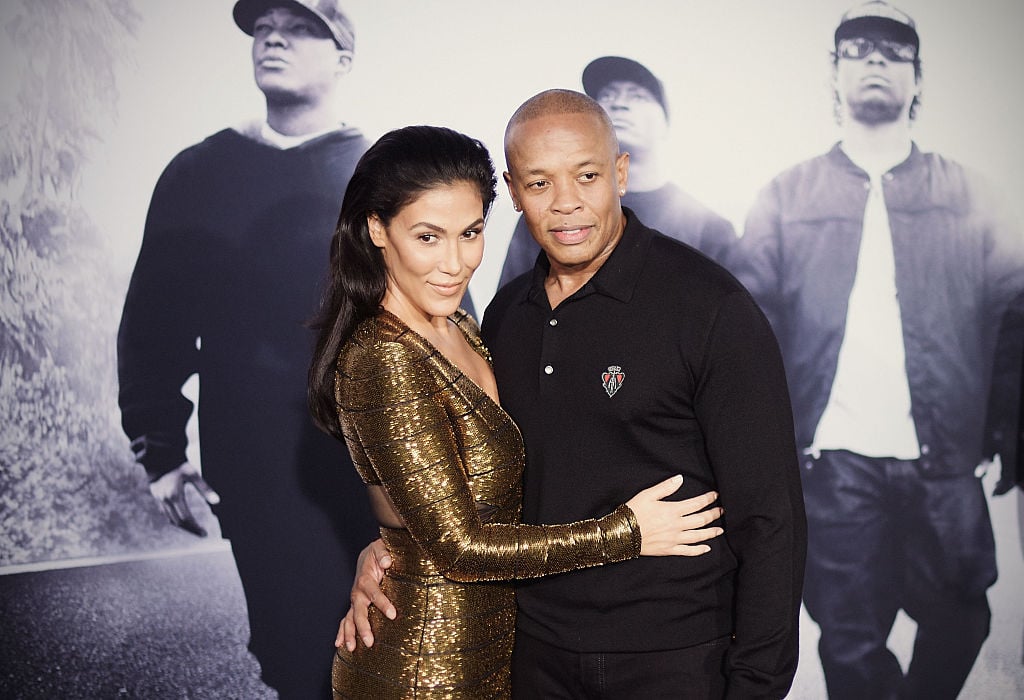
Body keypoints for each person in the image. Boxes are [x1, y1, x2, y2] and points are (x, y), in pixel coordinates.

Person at [343, 91, 807, 698]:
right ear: (511, 192)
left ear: (619, 173)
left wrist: (757, 685)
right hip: (531, 655)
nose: (566, 203)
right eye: (539, 183)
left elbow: (772, 520)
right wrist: (391, 549)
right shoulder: (505, 316)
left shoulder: (710, 308)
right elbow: (462, 487)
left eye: (586, 176)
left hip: (676, 658)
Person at [730, 2, 1024, 698]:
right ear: (833, 76)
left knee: (962, 613)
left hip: (946, 462)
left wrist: (1007, 432)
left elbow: (1015, 320)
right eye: (856, 49)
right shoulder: (785, 195)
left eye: (893, 53)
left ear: (917, 80)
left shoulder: (973, 194)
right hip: (833, 464)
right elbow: (746, 329)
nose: (874, 61)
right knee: (849, 634)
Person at [116, 1, 378, 696]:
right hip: (257, 464)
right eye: (263, 29)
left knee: (390, 650)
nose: (273, 39)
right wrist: (161, 453)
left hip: (378, 462)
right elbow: (154, 322)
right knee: (295, 654)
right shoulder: (198, 174)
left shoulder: (385, 175)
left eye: (297, 29)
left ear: (343, 58)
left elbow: (448, 318)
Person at [497, 56, 735, 288]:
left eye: (638, 96)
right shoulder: (545, 220)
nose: (619, 104)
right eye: (608, 96)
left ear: (664, 121)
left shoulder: (710, 228)